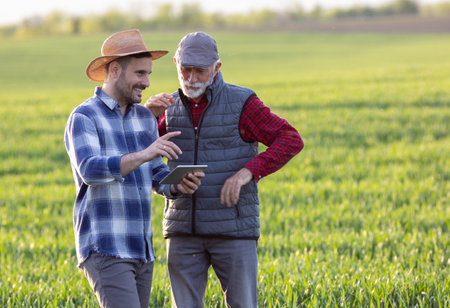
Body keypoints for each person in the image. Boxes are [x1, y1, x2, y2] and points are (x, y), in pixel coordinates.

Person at [145, 32, 304, 308]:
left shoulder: (242, 103)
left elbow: (290, 139)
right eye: (185, 69)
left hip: (233, 230)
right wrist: (146, 116)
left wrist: (248, 172)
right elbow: (142, 158)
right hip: (182, 230)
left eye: (200, 71)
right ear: (175, 63)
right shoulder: (165, 109)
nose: (191, 78)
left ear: (217, 68)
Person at [64, 29, 205, 308]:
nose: (147, 82)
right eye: (140, 74)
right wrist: (144, 153)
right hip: (105, 246)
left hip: (141, 250)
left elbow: (155, 175)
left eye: (148, 74)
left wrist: (178, 183)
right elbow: (90, 171)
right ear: (114, 70)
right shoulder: (84, 116)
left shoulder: (144, 118)